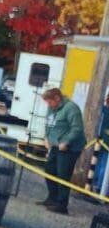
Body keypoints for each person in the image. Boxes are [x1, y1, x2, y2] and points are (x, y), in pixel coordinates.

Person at [39, 87, 85, 215]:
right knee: (49, 170)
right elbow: (48, 123)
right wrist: (46, 137)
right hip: (55, 145)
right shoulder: (52, 108)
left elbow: (77, 129)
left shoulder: (71, 108)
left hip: (70, 147)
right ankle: (52, 198)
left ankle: (62, 204)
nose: (48, 105)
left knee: (63, 174)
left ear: (57, 98)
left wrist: (66, 141)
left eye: (49, 102)